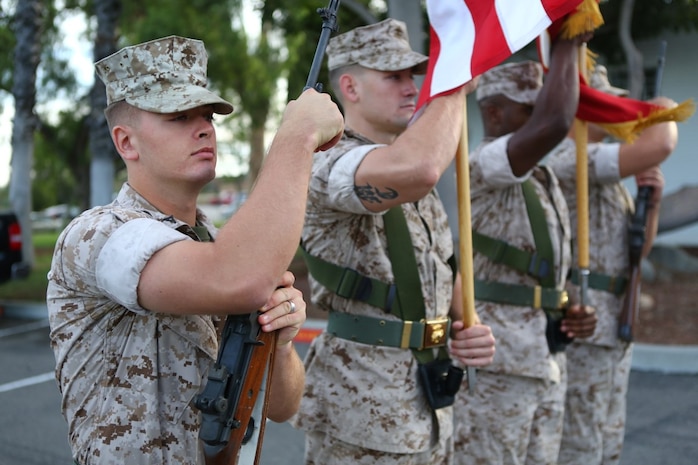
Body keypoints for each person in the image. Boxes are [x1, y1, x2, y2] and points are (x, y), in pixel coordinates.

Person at [46, 35, 344, 465]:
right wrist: (296, 136)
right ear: (126, 143)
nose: (204, 127)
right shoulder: (95, 235)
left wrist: (281, 341)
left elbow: (284, 407)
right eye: (179, 116)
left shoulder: (219, 245)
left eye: (206, 115)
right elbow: (234, 277)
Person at [288, 18, 496, 464]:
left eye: (411, 77)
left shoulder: (403, 160)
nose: (410, 88)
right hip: (362, 406)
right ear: (351, 86)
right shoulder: (327, 161)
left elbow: (435, 266)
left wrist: (467, 327)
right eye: (392, 76)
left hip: (429, 399)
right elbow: (418, 170)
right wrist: (454, 86)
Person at [452, 34, 598, 465]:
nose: (547, 119)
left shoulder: (542, 177)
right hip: (499, 365)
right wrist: (568, 42)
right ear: (493, 113)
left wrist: (568, 305)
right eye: (529, 110)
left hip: (543, 358)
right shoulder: (483, 166)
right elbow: (555, 123)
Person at [546, 64, 677, 465]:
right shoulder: (568, 156)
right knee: (578, 445)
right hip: (585, 321)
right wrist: (662, 109)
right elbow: (661, 141)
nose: (619, 117)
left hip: (616, 319)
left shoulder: (611, 177)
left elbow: (636, 252)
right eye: (607, 106)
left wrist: (650, 204)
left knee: (608, 441)